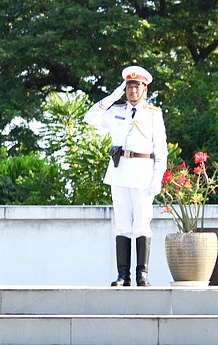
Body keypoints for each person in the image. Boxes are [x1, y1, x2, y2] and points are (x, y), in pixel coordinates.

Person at [84, 66, 167, 287]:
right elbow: (90, 117)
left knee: (141, 224)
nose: (132, 91)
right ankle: (123, 275)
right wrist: (114, 95)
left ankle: (142, 274)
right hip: (119, 172)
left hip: (142, 172)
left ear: (144, 89)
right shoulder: (115, 111)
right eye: (129, 87)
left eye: (136, 86)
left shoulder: (153, 114)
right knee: (122, 225)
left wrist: (157, 177)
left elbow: (161, 150)